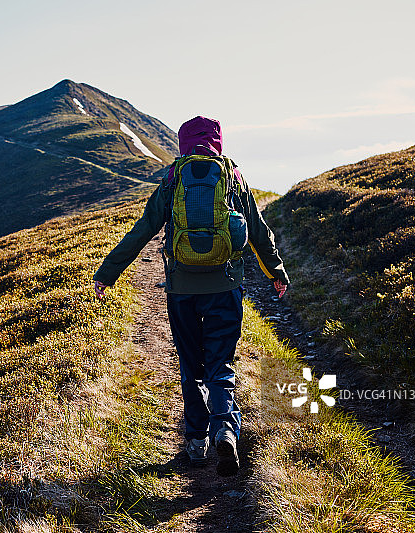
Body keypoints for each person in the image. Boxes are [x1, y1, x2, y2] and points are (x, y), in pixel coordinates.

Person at [93, 116, 288, 475]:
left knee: (191, 366)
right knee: (220, 363)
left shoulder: (173, 178)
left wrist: (108, 273)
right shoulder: (232, 176)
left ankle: (197, 442)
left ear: (183, 143)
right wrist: (276, 272)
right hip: (225, 287)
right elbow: (259, 232)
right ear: (218, 142)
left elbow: (143, 230)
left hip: (181, 289)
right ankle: (225, 430)